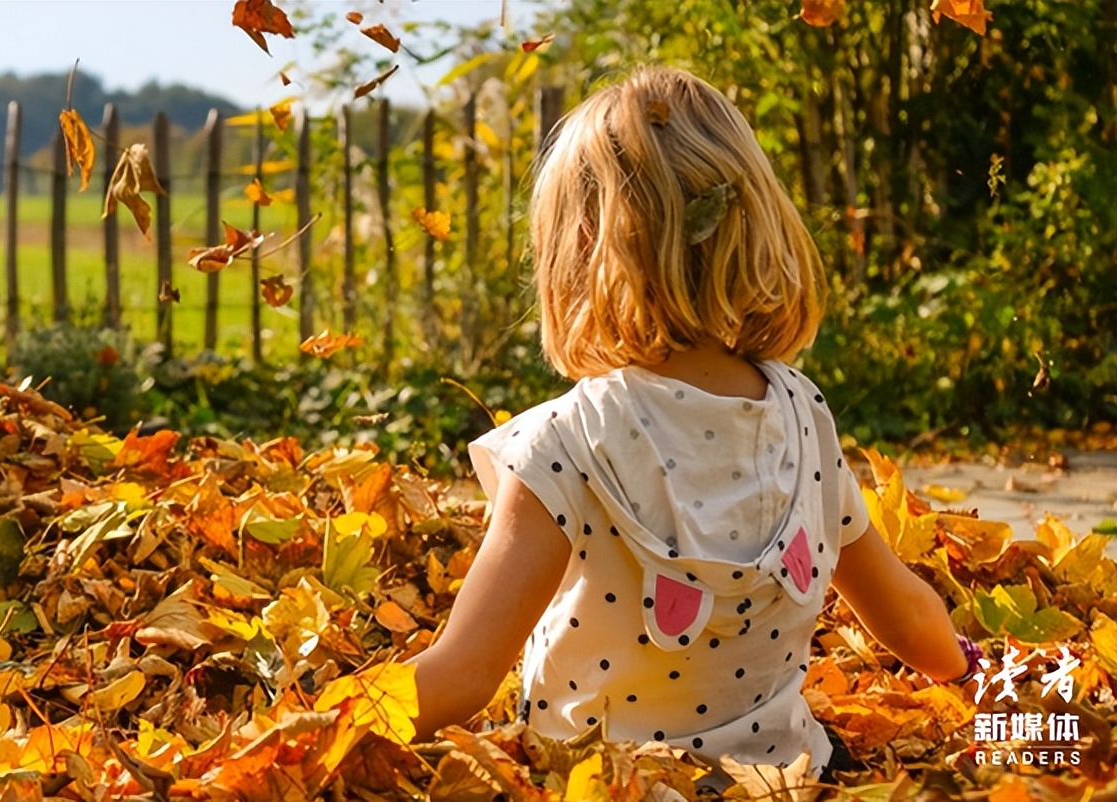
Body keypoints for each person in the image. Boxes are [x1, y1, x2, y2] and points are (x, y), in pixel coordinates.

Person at [406, 66, 977, 789]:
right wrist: (974, 677)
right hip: (787, 777)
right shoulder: (803, 414)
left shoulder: (564, 445)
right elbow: (904, 615)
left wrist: (312, 734)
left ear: (580, 255)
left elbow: (462, 676)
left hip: (605, 782)